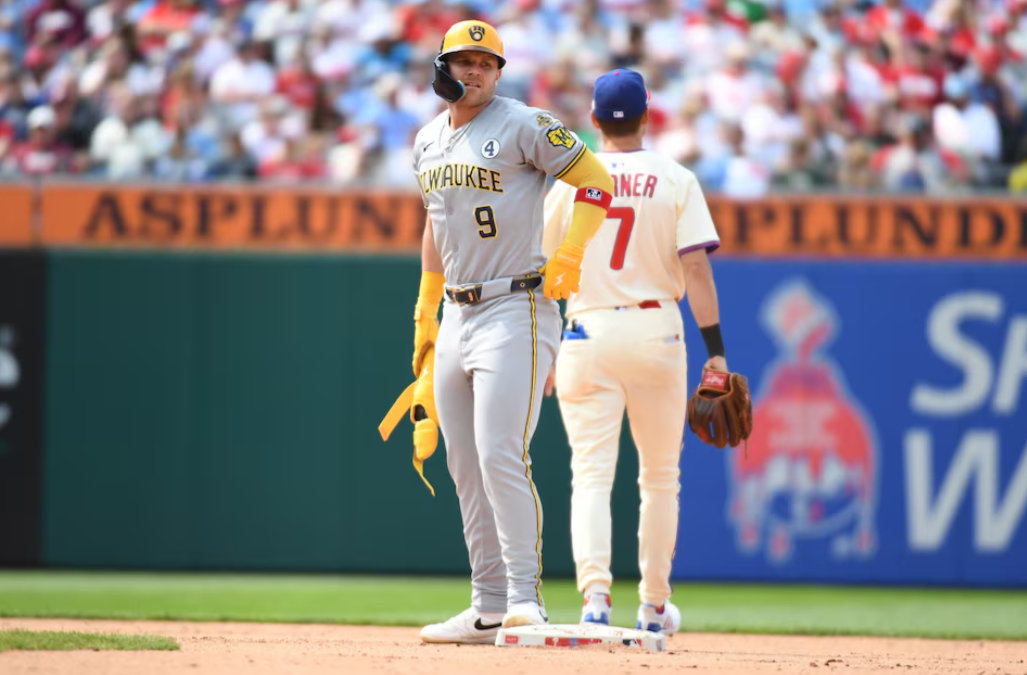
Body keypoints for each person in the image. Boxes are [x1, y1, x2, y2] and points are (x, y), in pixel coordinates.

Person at [410, 20, 614, 644]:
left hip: (516, 306)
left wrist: (573, 250)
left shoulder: (524, 123)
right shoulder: (426, 141)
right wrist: (424, 312)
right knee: (463, 462)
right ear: (443, 67)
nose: (474, 72)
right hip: (457, 312)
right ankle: (487, 604)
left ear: (499, 73)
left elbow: (597, 181)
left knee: (501, 451)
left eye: (485, 63)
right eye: (463, 61)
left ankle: (526, 596)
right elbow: (436, 227)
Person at [542, 69, 728, 635]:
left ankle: (595, 600)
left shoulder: (570, 183)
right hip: (656, 332)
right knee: (660, 478)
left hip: (585, 331)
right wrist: (715, 352)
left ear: (594, 121)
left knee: (591, 476)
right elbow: (695, 266)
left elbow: (542, 268)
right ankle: (652, 608)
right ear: (648, 116)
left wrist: (546, 342)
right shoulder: (675, 177)